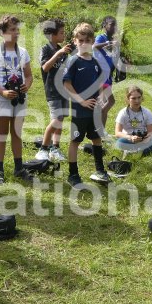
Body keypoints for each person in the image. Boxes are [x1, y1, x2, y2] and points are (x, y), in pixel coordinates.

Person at [0, 14, 34, 185]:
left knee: (17, 132)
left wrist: (26, 85)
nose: (16, 32)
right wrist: (2, 92)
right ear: (2, 32)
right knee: (1, 133)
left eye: (17, 29)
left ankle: (19, 167)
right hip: (2, 98)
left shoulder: (23, 52)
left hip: (19, 98)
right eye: (12, 29)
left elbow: (28, 75)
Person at [63, 22, 112, 188]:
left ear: (92, 42)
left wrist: (101, 97)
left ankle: (100, 170)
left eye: (87, 40)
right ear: (75, 41)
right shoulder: (73, 61)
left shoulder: (95, 63)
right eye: (80, 40)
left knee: (97, 139)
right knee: (75, 141)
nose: (84, 43)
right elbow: (67, 84)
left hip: (94, 111)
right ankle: (73, 174)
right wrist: (81, 101)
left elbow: (100, 84)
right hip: (79, 111)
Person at [36, 18, 73, 163]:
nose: (64, 35)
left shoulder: (62, 50)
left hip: (64, 91)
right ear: (52, 35)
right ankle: (44, 148)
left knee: (61, 119)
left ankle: (55, 147)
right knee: (56, 120)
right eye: (62, 33)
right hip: (52, 91)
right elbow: (45, 67)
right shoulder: (46, 49)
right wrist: (59, 54)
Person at [113, 86, 152, 156]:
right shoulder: (123, 112)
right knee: (120, 142)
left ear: (142, 97)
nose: (137, 101)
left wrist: (147, 138)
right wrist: (130, 137)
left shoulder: (147, 112)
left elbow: (151, 132)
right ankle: (146, 151)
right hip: (129, 139)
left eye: (139, 97)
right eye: (133, 98)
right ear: (128, 99)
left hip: (144, 139)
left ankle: (134, 152)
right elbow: (117, 133)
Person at [94, 16, 118, 133]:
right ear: (104, 26)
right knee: (105, 102)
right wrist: (109, 43)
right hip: (99, 77)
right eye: (112, 24)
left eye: (115, 25)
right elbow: (94, 47)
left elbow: (113, 59)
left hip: (107, 77)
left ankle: (100, 130)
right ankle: (97, 129)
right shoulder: (101, 37)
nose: (114, 27)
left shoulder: (113, 41)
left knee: (109, 102)